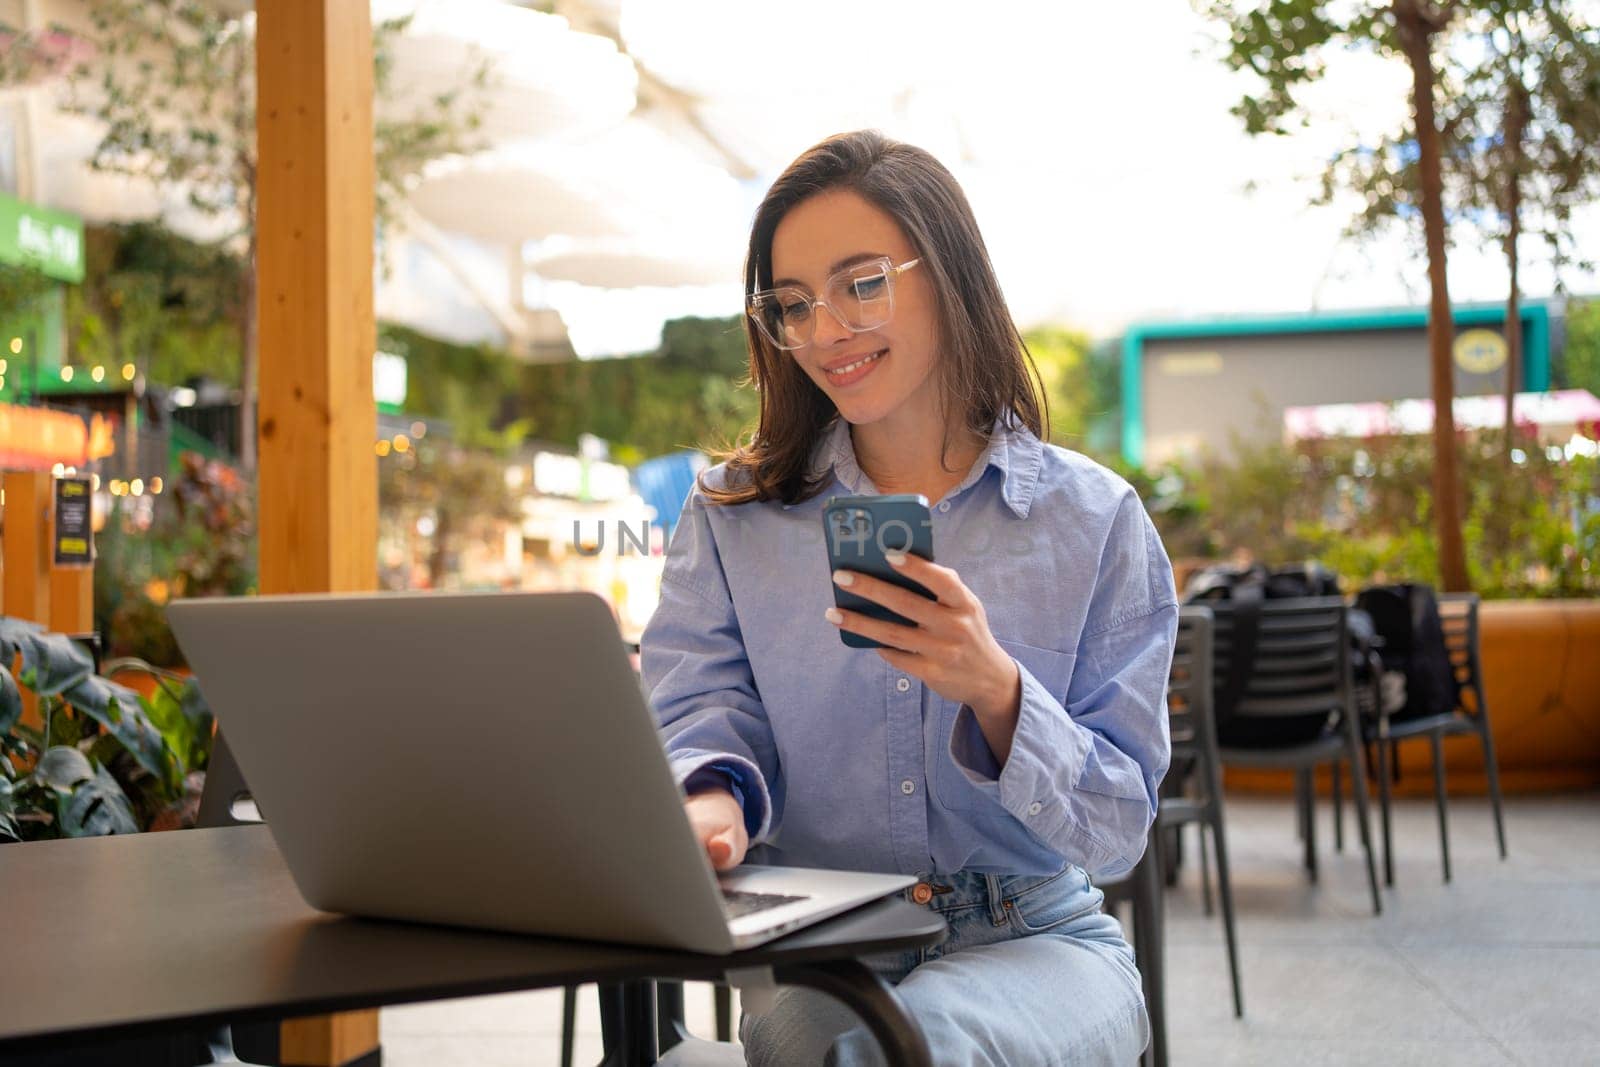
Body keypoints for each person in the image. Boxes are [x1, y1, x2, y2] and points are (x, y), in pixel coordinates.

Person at [640, 130, 1176, 1066]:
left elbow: (1120, 829)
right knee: (847, 1045)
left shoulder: (1095, 521)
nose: (824, 331)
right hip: (822, 945)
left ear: (949, 274)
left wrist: (997, 689)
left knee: (918, 1045)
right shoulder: (735, 517)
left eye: (862, 283)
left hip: (1041, 940)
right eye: (791, 304)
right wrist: (711, 800)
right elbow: (703, 708)